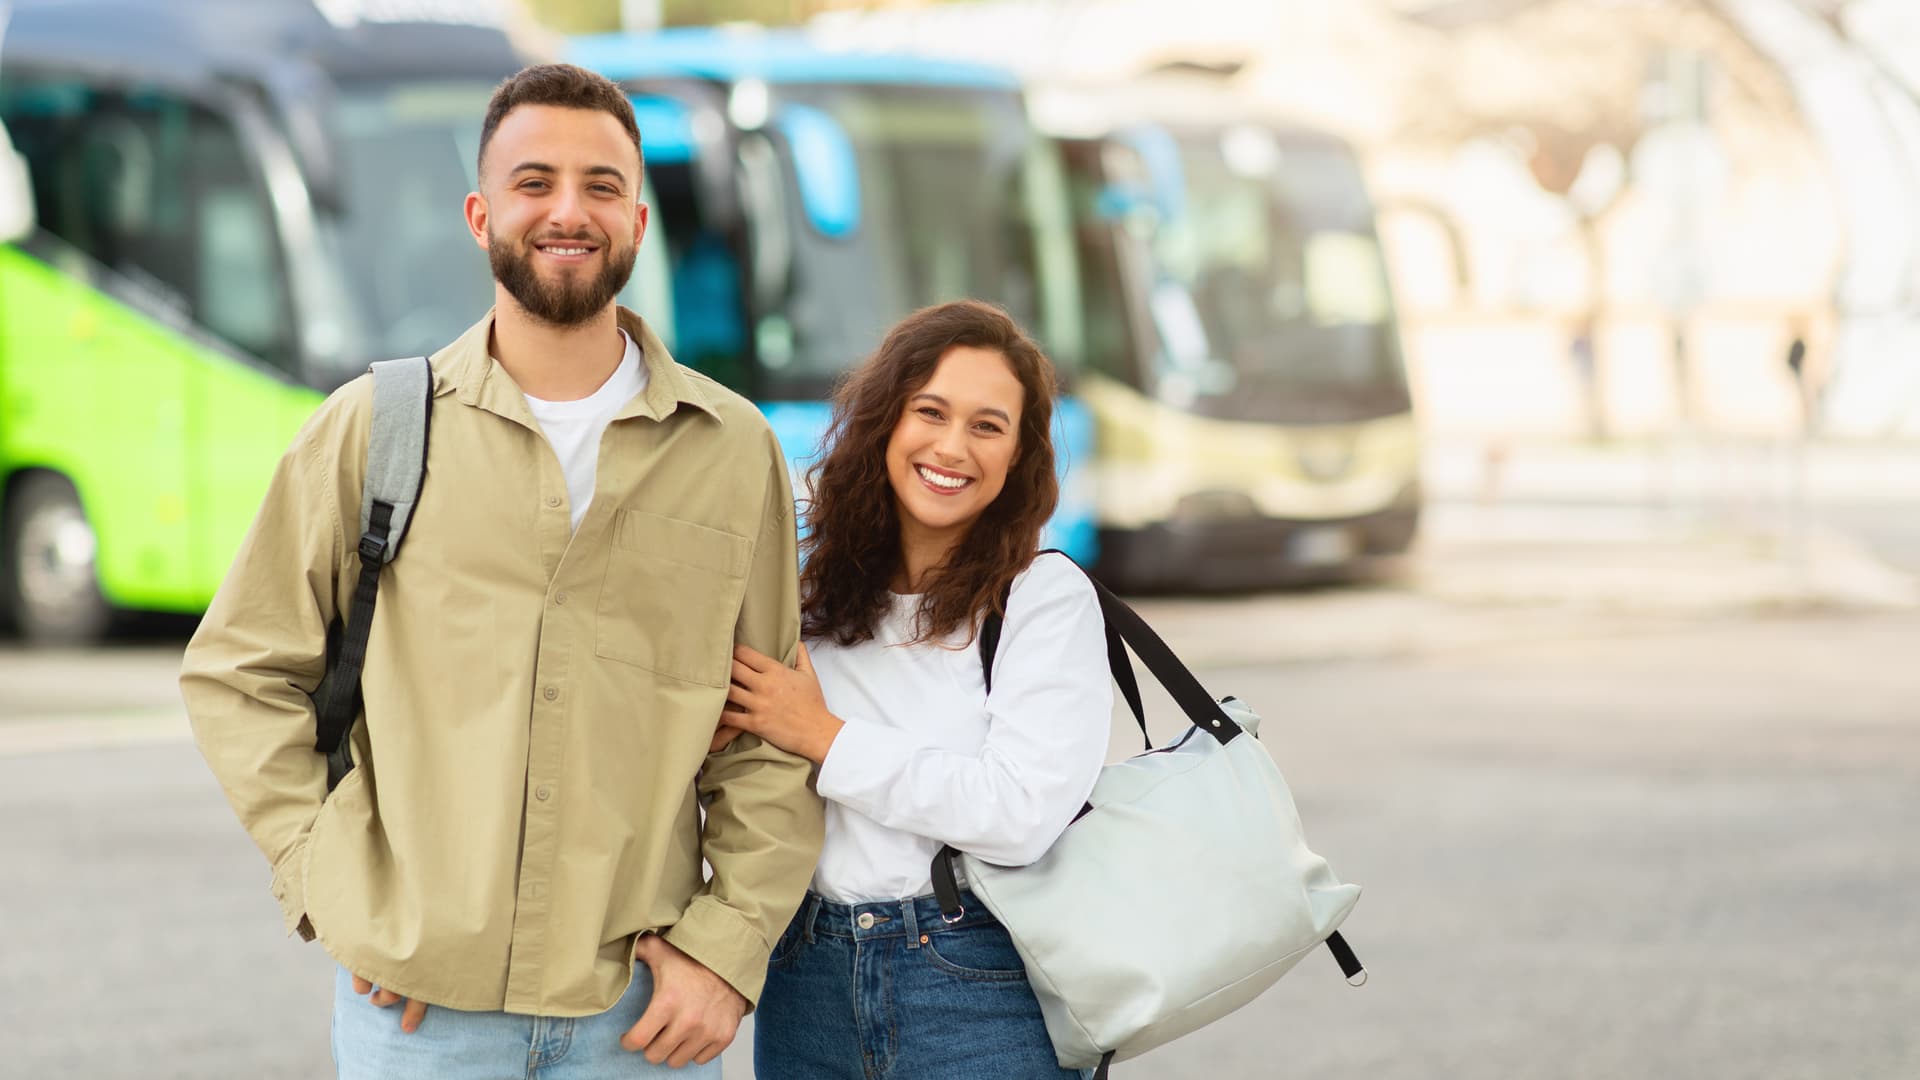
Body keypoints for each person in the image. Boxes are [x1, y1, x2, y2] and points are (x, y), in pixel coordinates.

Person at [179, 64, 823, 1079]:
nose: (569, 210)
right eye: (535, 182)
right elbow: (238, 672)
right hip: (419, 1019)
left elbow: (771, 731)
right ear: (481, 215)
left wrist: (727, 952)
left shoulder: (731, 448)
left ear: (640, 222)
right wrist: (327, 880)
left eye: (602, 186)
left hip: (640, 1018)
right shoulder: (374, 428)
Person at [719, 300, 1112, 1079]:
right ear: (884, 423)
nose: (951, 447)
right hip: (804, 979)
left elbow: (1018, 814)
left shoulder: (1042, 598)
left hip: (977, 985)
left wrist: (824, 737)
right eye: (929, 412)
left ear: (1018, 458)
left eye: (987, 426)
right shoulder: (803, 590)